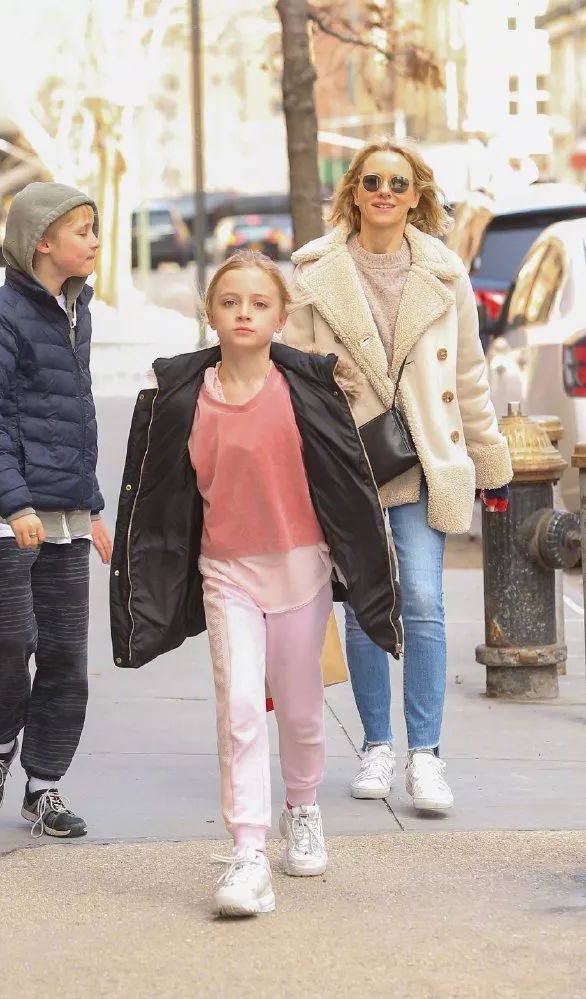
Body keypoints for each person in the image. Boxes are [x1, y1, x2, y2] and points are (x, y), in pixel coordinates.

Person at [110, 251, 402, 917]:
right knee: (240, 708)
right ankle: (247, 852)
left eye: (259, 303)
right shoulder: (182, 397)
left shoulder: (307, 391)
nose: (244, 312)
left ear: (281, 317)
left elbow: (350, 482)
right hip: (226, 572)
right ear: (209, 314)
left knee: (299, 710)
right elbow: (156, 495)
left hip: (301, 569)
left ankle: (303, 807)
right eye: (230, 301)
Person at [285, 139, 511, 812]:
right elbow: (290, 366)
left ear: (417, 197)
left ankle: (425, 755)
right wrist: (327, 375)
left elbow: (468, 373)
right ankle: (377, 745)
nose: (384, 191)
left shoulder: (444, 272)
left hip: (422, 457)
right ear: (354, 192)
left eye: (398, 183)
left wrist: (489, 455)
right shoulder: (314, 270)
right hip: (349, 461)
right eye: (373, 181)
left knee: (423, 599)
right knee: (363, 602)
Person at [0, 182, 113, 838]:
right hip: (3, 512)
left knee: (68, 655)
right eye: (83, 230)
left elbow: (77, 418)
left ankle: (43, 787)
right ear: (42, 241)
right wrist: (16, 503)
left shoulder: (77, 313)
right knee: (14, 639)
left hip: (65, 514)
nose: (95, 241)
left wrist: (91, 507)